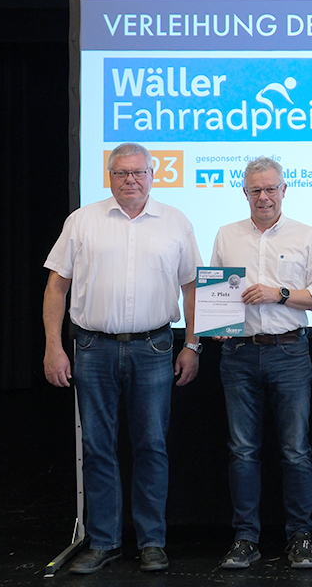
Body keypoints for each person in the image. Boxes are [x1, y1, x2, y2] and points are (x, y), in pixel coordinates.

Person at [42, 143, 202, 574]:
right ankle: (105, 541)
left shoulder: (176, 222)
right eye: (121, 173)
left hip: (154, 348)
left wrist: (192, 343)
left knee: (151, 446)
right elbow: (56, 286)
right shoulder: (82, 221)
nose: (130, 180)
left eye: (138, 172)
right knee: (98, 448)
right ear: (109, 176)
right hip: (92, 348)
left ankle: (152, 542)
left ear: (154, 174)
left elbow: (192, 288)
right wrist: (53, 345)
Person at [211, 157, 312, 570]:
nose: (263, 197)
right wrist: (217, 325)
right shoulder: (226, 236)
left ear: (285, 190)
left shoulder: (307, 235)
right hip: (238, 354)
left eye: (270, 189)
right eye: (255, 190)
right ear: (244, 193)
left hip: (289, 353)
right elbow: (215, 296)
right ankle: (246, 538)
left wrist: (278, 293)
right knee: (242, 450)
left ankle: (300, 536)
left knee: (296, 451)